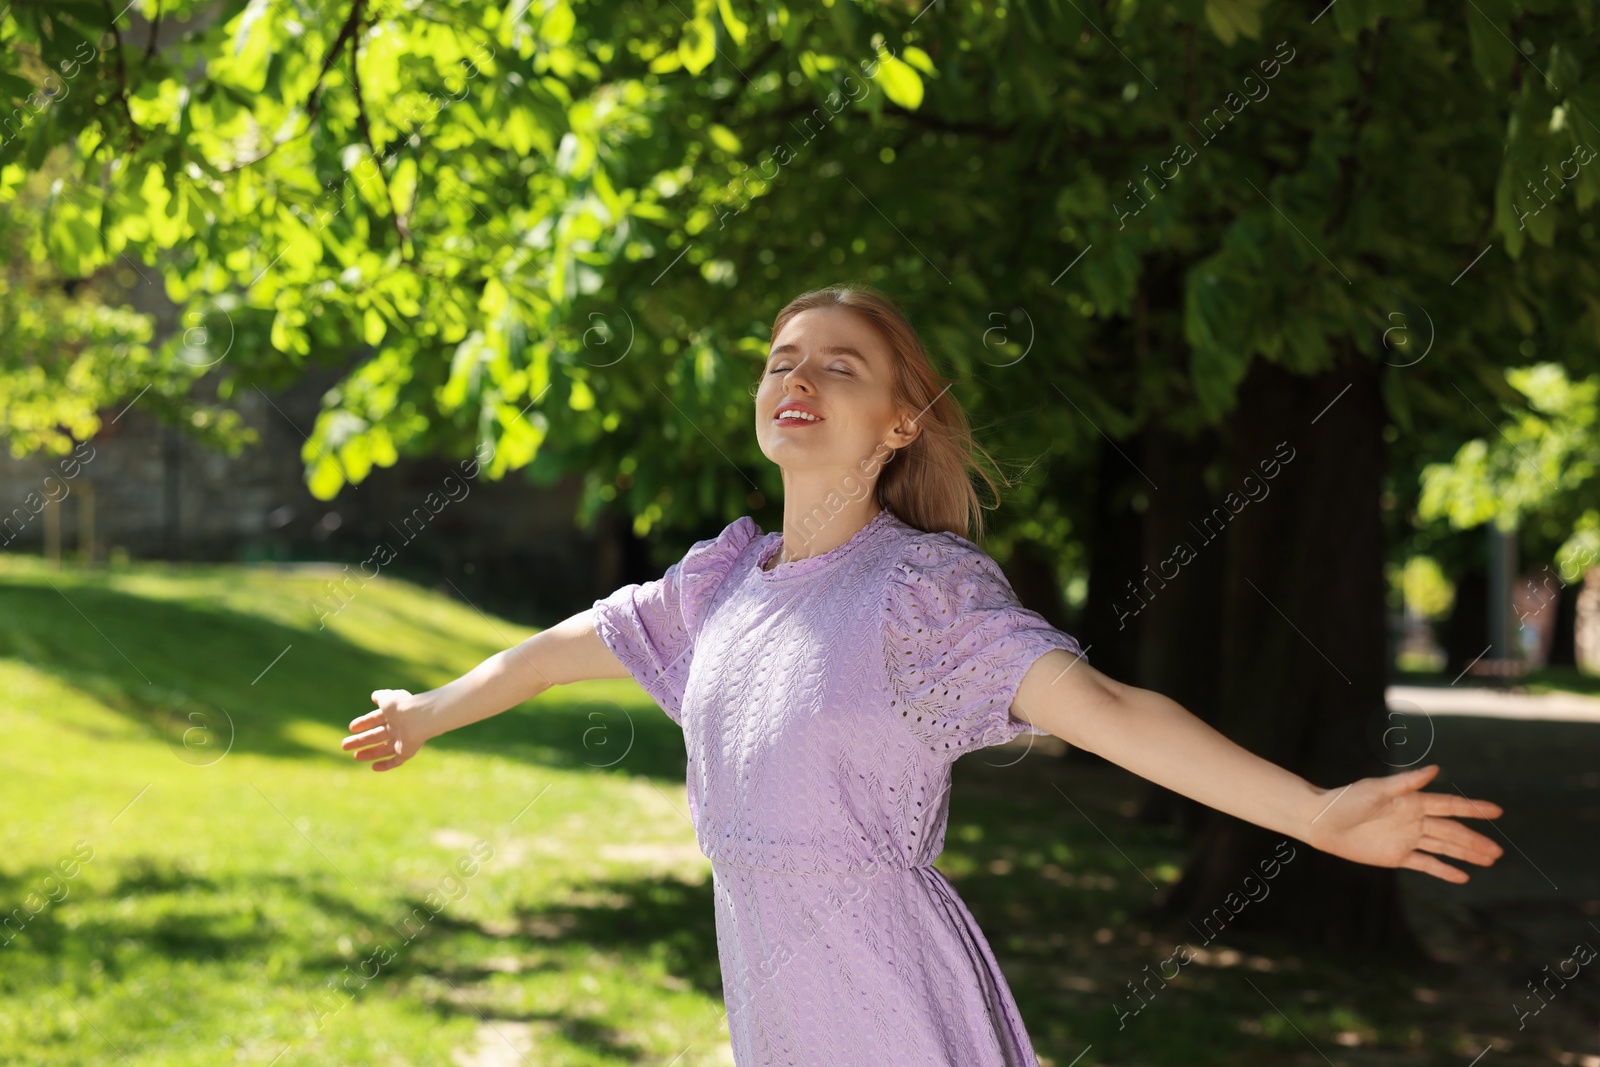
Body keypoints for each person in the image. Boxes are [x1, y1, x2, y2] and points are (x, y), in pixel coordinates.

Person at [341, 284, 1506, 1066]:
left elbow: (1099, 708)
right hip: (774, 1005)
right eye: (781, 358)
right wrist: (428, 711)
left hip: (887, 998)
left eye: (839, 366)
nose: (797, 376)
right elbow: (559, 648)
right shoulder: (720, 589)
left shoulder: (918, 593)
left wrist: (1311, 809)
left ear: (899, 424)